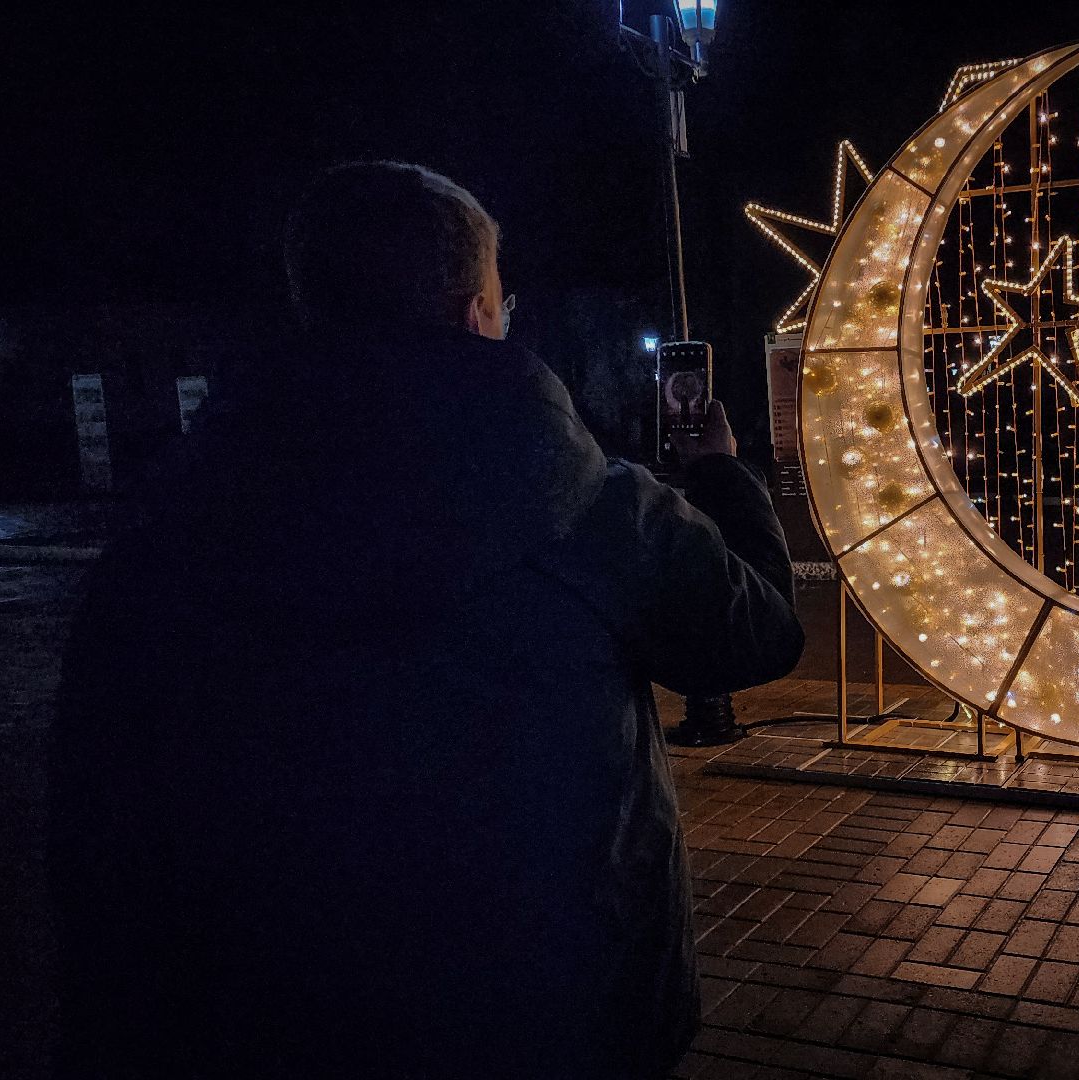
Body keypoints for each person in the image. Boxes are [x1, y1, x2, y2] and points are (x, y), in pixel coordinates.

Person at [47, 161, 805, 1079]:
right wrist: (723, 473)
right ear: (474, 313)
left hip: (273, 1018)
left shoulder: (167, 534)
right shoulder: (598, 516)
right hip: (557, 1008)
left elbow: (100, 838)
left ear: (312, 306)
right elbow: (758, 632)